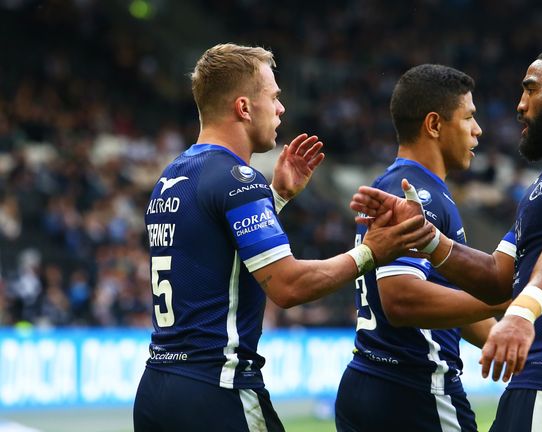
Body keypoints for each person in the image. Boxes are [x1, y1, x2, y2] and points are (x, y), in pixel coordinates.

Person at [132, 43, 434, 432]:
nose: (281, 108)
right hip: (216, 389)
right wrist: (370, 252)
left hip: (157, 390)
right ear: (244, 108)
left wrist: (276, 198)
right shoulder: (236, 179)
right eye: (274, 97)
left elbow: (217, 256)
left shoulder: (174, 175)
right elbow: (288, 287)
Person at [351, 46, 542, 431]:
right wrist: (430, 240)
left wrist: (520, 314)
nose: (520, 105)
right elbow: (499, 277)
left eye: (532, 90)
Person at [334, 64, 508, 432]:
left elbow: (448, 300)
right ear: (434, 125)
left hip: (373, 381)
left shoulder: (409, 186)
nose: (478, 130)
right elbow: (402, 299)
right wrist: (506, 298)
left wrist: (501, 336)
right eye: (469, 117)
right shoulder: (416, 194)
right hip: (415, 389)